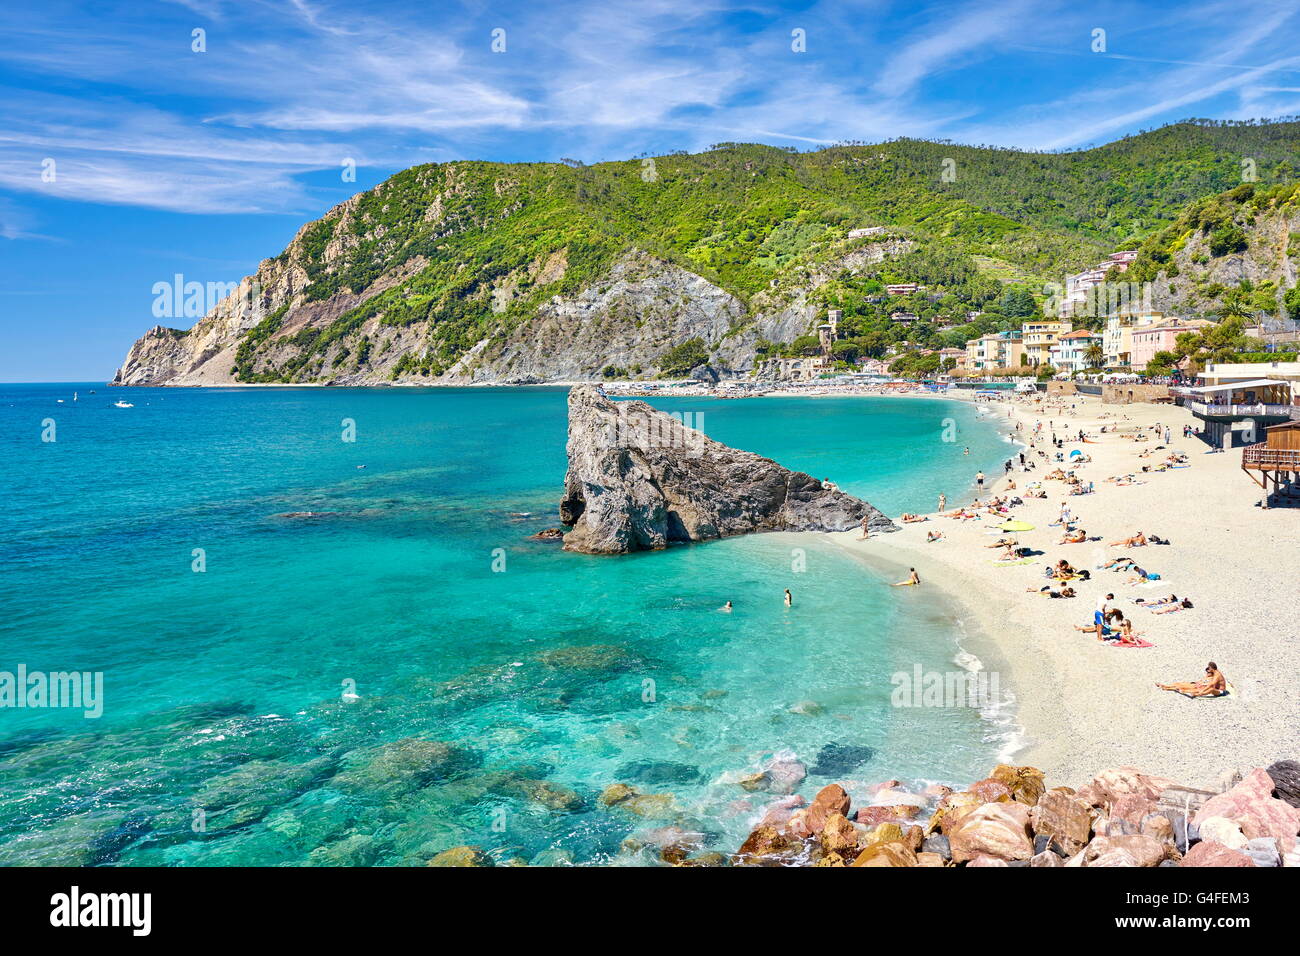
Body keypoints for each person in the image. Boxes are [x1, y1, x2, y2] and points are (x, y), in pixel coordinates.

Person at [1158, 662, 1227, 698]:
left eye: (1209, 668)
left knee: (1210, 689)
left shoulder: (1217, 675)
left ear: (1212, 668)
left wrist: (1202, 689)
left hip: (1220, 691)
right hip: (1203, 686)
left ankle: (1197, 694)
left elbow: (1211, 685)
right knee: (1181, 684)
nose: (1207, 671)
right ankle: (1166, 687)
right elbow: (1206, 681)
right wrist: (1199, 683)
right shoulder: (1212, 674)